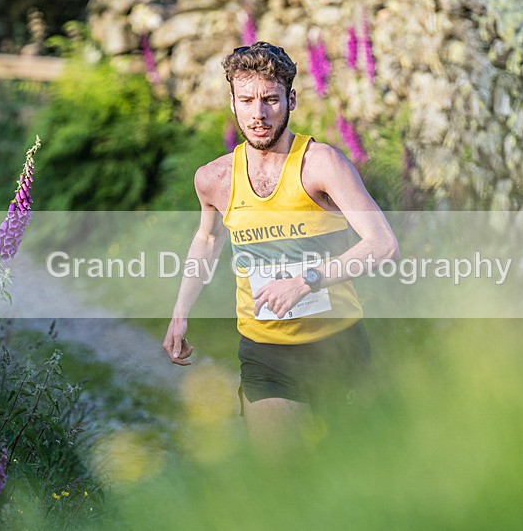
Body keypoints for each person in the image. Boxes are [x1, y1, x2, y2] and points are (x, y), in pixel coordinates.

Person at [162, 41, 399, 454]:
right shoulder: (214, 178)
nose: (259, 114)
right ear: (232, 102)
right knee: (282, 478)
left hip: (337, 344)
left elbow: (382, 245)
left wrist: (306, 281)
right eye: (247, 100)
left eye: (270, 100)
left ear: (290, 99)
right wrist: (180, 313)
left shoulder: (322, 164)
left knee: (358, 472)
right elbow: (208, 238)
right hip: (265, 351)